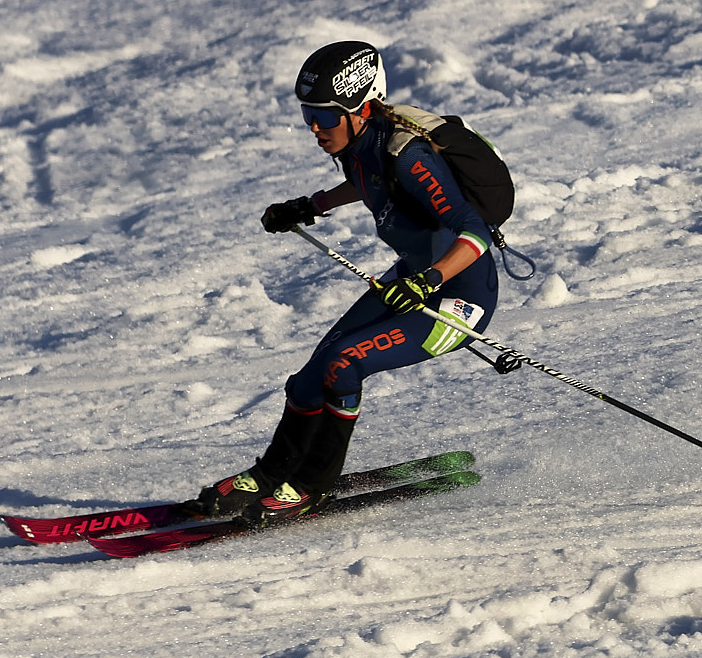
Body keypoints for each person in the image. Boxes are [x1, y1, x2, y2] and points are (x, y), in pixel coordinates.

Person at [189, 40, 499, 524]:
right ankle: (272, 473)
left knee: (343, 364)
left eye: (325, 116)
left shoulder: (411, 156)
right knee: (310, 378)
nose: (315, 127)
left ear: (360, 109)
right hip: (413, 281)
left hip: (458, 301)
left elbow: (474, 229)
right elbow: (369, 181)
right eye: (308, 115)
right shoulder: (364, 144)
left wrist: (429, 280)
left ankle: (312, 486)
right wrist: (310, 206)